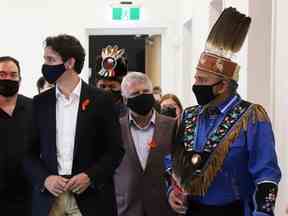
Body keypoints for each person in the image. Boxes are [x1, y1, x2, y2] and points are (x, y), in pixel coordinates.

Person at [167, 7, 281, 216]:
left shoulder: (252, 117)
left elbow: (266, 174)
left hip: (234, 210)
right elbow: (172, 160)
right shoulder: (189, 116)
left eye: (202, 80)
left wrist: (263, 213)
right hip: (192, 210)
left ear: (223, 85)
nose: (195, 85)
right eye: (195, 78)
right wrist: (171, 193)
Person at [24, 34, 124, 216]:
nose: (45, 65)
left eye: (50, 60)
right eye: (44, 59)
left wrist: (90, 176)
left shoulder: (102, 100)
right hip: (50, 198)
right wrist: (45, 179)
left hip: (90, 198)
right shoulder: (39, 103)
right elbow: (28, 153)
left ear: (69, 63)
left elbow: (115, 150)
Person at [114, 72, 178, 216]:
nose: (142, 96)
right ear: (125, 100)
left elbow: (179, 167)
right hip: (126, 209)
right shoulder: (115, 129)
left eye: (146, 92)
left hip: (163, 207)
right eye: (136, 93)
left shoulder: (172, 126)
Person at [0, 56, 32, 215]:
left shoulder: (34, 108)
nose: (8, 79)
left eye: (13, 75)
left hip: (30, 197)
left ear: (20, 79)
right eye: (2, 74)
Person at [89, 45, 128, 117]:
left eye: (112, 86)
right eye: (102, 86)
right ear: (96, 86)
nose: (107, 90)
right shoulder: (88, 110)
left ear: (122, 87)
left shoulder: (129, 113)